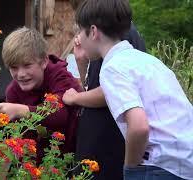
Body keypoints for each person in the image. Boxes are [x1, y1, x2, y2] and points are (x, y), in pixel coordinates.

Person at [64, 0, 193, 179]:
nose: (78, 38)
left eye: (79, 31)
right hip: (184, 163)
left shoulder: (112, 67)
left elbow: (139, 126)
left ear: (93, 32)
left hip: (160, 166)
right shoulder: (147, 61)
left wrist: (131, 170)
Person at [64, 0, 146, 179]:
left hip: (109, 141)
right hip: (95, 142)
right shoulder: (100, 44)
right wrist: (82, 61)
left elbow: (108, 92)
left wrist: (76, 98)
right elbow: (93, 84)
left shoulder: (120, 32)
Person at [0, 27, 83, 164]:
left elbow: (60, 116)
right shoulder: (13, 92)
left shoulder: (60, 76)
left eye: (27, 65)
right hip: (44, 162)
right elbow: (24, 139)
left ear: (44, 61)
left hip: (77, 155)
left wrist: (19, 110)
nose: (21, 74)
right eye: (14, 67)